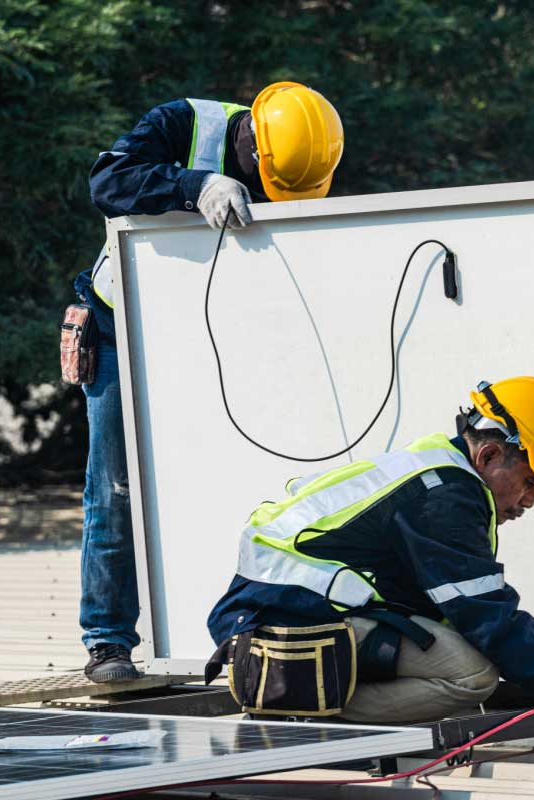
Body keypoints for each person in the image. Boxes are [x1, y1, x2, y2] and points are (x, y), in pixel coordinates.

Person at [205, 377, 534, 743]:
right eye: (529, 482)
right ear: (490, 454)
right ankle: (304, 713)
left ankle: (311, 700)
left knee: (463, 653)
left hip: (284, 615)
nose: (529, 501)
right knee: (471, 677)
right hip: (279, 626)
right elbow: (491, 622)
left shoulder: (438, 471)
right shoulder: (444, 500)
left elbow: (459, 619)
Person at [76, 82, 345, 682]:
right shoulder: (182, 124)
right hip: (125, 328)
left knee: (241, 477)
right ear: (252, 138)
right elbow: (107, 185)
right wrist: (195, 185)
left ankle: (239, 628)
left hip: (222, 340)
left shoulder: (294, 162)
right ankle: (108, 640)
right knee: (116, 489)